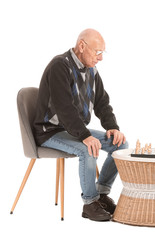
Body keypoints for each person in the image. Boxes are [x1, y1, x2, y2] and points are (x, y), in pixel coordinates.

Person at [34, 29, 128, 221]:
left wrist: (112, 127)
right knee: (88, 148)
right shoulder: (59, 66)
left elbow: (102, 102)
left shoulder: (92, 70)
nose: (100, 58)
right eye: (97, 52)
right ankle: (89, 203)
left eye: (103, 52)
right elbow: (64, 108)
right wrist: (85, 136)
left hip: (72, 129)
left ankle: (101, 194)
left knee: (121, 146)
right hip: (49, 131)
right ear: (82, 46)